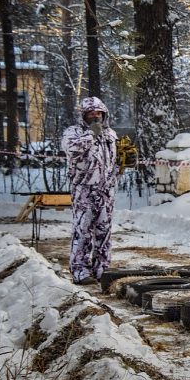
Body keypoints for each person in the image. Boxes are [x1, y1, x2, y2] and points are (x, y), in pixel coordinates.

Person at [61, 97, 118, 285]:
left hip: (106, 191)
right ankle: (79, 270)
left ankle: (102, 269)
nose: (96, 116)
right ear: (84, 115)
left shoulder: (110, 134)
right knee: (82, 231)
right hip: (84, 190)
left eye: (99, 113)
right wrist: (90, 135)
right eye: (92, 113)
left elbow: (111, 162)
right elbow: (71, 151)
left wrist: (125, 164)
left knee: (104, 231)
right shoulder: (73, 132)